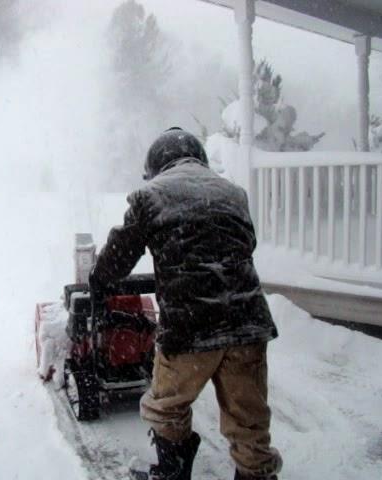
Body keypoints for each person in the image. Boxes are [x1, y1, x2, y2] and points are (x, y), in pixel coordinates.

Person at [89, 127, 282, 480]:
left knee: (167, 407)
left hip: (190, 327)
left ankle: (172, 473)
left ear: (155, 166)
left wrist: (98, 283)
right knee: (249, 418)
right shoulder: (233, 194)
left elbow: (119, 256)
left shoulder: (152, 196)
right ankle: (256, 474)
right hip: (247, 322)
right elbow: (246, 244)